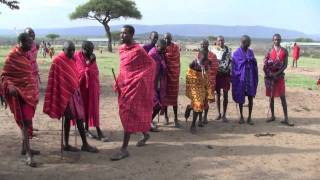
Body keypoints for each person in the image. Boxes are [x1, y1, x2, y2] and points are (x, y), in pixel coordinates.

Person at [43, 41, 98, 153]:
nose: (72, 52)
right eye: (69, 50)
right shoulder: (57, 61)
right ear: (63, 50)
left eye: (73, 50)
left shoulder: (73, 59)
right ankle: (81, 144)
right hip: (65, 95)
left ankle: (70, 144)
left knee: (72, 119)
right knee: (77, 119)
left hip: (74, 94)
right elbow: (54, 80)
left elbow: (75, 75)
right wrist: (62, 91)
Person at [110, 25, 156, 161]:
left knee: (128, 115)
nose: (122, 35)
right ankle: (145, 133)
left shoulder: (138, 50)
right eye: (121, 33)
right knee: (127, 113)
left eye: (124, 33)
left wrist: (140, 79)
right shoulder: (122, 49)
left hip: (134, 88)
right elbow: (123, 68)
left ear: (131, 34)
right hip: (124, 86)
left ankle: (124, 149)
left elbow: (151, 64)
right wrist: (119, 80)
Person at [1, 33, 40, 167]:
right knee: (25, 122)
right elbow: (4, 76)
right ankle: (29, 155)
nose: (31, 44)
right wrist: (10, 85)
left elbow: (29, 74)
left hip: (29, 93)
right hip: (18, 93)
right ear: (20, 42)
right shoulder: (13, 56)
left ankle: (25, 148)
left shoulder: (27, 55)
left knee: (27, 122)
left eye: (31, 42)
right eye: (28, 42)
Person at [74, 41, 109, 142]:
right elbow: (80, 71)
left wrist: (91, 63)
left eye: (92, 49)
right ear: (84, 49)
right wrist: (88, 65)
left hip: (92, 87)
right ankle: (86, 129)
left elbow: (95, 71)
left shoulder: (92, 57)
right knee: (83, 108)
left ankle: (98, 130)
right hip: (81, 88)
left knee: (93, 108)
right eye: (90, 49)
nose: (92, 51)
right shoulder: (77, 56)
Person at [264, 34, 294, 126]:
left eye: (278, 39)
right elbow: (265, 63)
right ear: (272, 40)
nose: (276, 41)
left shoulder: (284, 51)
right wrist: (270, 73)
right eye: (275, 39)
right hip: (270, 77)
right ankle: (273, 116)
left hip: (280, 77)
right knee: (271, 97)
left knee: (282, 97)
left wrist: (277, 73)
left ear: (280, 40)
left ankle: (286, 118)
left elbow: (285, 65)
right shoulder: (269, 50)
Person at [185, 39, 218, 125]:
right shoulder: (194, 63)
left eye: (204, 59)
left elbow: (208, 75)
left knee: (201, 103)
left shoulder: (209, 62)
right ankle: (193, 125)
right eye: (201, 59)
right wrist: (194, 80)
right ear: (199, 57)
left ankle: (190, 108)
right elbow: (189, 74)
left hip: (203, 86)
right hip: (195, 85)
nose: (203, 61)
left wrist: (209, 88)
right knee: (199, 104)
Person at [232, 35, 258, 125]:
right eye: (249, 42)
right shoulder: (236, 53)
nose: (250, 43)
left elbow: (254, 63)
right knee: (240, 97)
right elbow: (235, 66)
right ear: (244, 42)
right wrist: (245, 61)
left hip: (249, 78)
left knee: (250, 97)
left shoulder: (250, 52)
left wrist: (251, 60)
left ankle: (249, 117)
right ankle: (242, 116)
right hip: (240, 79)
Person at [148, 39, 167, 132]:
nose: (163, 51)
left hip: (158, 83)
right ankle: (148, 123)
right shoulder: (152, 54)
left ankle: (148, 122)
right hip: (150, 83)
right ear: (157, 46)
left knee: (157, 104)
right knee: (157, 105)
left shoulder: (160, 54)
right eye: (162, 49)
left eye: (164, 50)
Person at [211, 36, 232, 122]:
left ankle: (224, 115)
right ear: (216, 41)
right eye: (219, 41)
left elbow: (231, 61)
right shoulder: (213, 50)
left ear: (224, 41)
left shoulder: (229, 50)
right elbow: (211, 62)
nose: (221, 42)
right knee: (218, 94)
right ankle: (218, 113)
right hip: (217, 74)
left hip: (226, 74)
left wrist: (229, 71)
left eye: (222, 40)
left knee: (226, 94)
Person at [162, 32, 181, 128]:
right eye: (165, 38)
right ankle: (165, 116)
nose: (166, 40)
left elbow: (176, 61)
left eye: (168, 38)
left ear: (171, 38)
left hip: (174, 77)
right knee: (164, 97)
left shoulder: (175, 48)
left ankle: (176, 118)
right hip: (165, 76)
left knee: (174, 98)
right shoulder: (162, 47)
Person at [24, 27, 40, 137]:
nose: (32, 35)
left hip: (34, 76)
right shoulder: (24, 47)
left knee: (34, 103)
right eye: (29, 33)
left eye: (33, 33)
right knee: (28, 104)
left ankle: (30, 126)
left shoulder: (34, 45)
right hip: (27, 79)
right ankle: (28, 130)